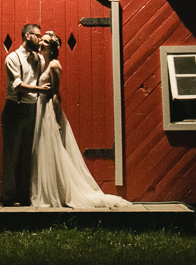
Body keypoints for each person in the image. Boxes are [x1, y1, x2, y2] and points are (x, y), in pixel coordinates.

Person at [30, 31, 130, 208]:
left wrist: (56, 119)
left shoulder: (54, 65)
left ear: (52, 48)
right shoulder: (41, 63)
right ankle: (49, 192)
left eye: (45, 42)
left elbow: (56, 94)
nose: (41, 44)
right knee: (42, 151)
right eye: (42, 41)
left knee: (54, 151)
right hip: (40, 109)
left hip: (49, 111)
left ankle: (63, 193)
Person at [1, 23, 49, 206]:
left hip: (33, 108)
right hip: (15, 108)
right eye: (37, 35)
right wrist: (39, 89)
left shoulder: (37, 58)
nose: (40, 39)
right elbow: (17, 85)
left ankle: (25, 196)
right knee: (12, 154)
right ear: (27, 36)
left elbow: (45, 74)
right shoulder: (12, 58)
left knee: (28, 154)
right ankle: (9, 197)